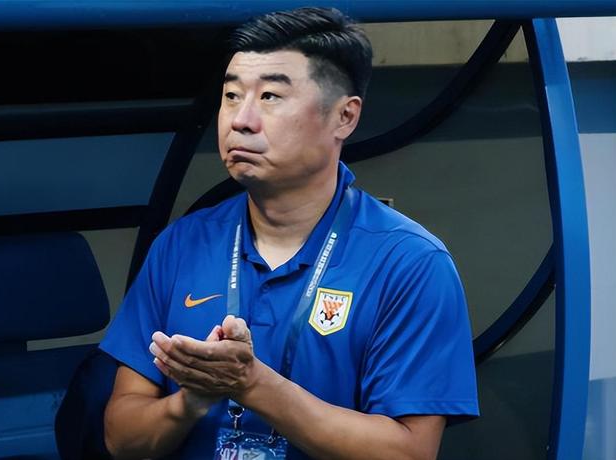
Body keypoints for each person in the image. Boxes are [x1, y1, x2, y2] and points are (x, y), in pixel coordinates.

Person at [100, 7, 479, 460]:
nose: (241, 119)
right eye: (231, 95)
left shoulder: (409, 263)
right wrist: (191, 401)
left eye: (270, 96)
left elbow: (410, 453)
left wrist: (252, 384)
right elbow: (120, 439)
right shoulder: (183, 243)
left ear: (344, 117)